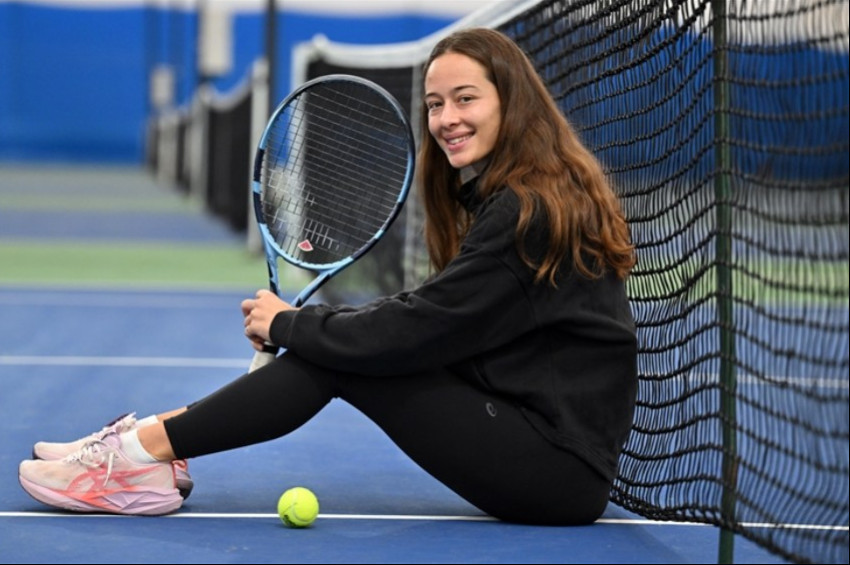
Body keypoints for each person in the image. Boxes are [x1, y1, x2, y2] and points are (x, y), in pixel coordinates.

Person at [19, 27, 638, 524]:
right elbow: (434, 315)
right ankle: (155, 443)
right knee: (341, 346)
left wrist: (294, 324)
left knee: (338, 358)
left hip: (556, 471)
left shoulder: (527, 212)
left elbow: (421, 327)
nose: (446, 118)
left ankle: (141, 456)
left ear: (512, 101)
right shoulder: (524, 195)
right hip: (536, 433)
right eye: (434, 104)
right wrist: (301, 326)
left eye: (466, 98)